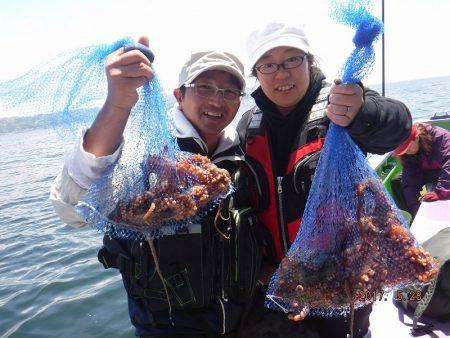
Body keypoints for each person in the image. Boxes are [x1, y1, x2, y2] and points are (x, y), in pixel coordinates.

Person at [50, 37, 264, 337]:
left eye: (229, 91)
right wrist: (118, 103)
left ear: (239, 101)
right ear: (179, 95)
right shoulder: (144, 153)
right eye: (204, 87)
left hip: (245, 326)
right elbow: (72, 206)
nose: (217, 100)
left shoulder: (246, 155)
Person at [235, 22, 412, 338]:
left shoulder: (341, 100)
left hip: (343, 283)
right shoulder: (249, 126)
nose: (282, 73)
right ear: (257, 73)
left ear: (309, 61)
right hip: (281, 285)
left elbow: (396, 125)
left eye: (292, 59)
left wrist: (364, 112)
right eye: (269, 64)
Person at [391, 122, 450, 218]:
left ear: (417, 138)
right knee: (397, 181)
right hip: (428, 172)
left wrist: (440, 192)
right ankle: (411, 218)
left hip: (443, 172)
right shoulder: (408, 153)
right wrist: (415, 207)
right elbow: (410, 178)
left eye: (408, 148)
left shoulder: (442, 137)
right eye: (403, 150)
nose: (406, 151)